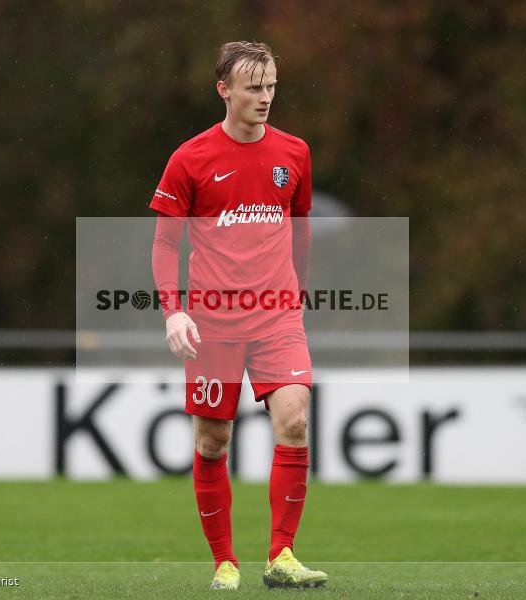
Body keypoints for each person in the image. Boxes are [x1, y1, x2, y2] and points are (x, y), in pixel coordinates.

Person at [149, 41, 328, 591]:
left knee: (295, 421)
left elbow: (300, 233)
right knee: (212, 442)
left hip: (276, 316)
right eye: (254, 87)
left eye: (271, 85)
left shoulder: (294, 153)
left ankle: (282, 556)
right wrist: (173, 312)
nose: (265, 97)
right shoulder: (191, 158)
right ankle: (226, 562)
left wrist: (297, 293)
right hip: (213, 324)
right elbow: (163, 244)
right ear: (224, 90)